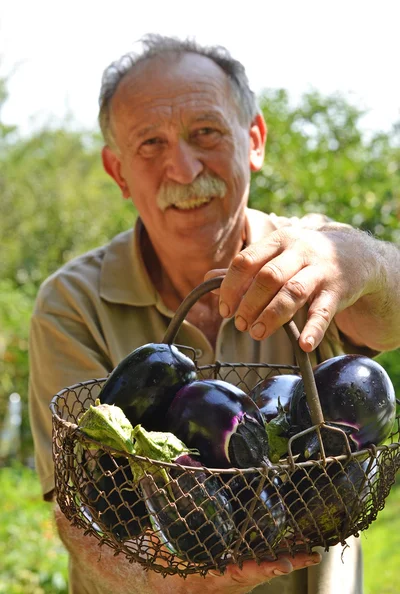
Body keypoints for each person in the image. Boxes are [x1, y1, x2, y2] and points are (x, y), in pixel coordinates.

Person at [28, 33, 400, 594]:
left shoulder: (311, 255)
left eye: (205, 132)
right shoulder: (72, 303)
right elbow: (87, 509)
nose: (182, 167)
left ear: (254, 140)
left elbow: (388, 323)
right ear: (118, 172)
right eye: (150, 143)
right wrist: (179, 578)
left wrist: (365, 259)